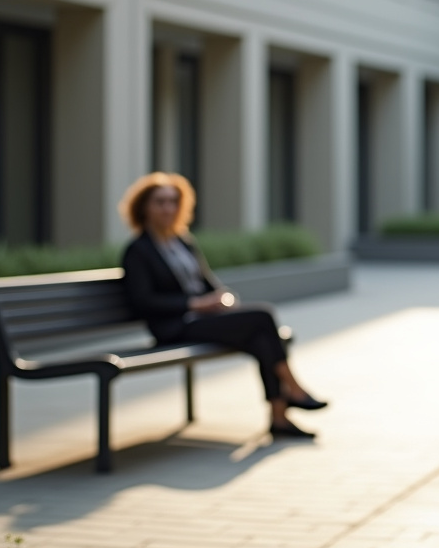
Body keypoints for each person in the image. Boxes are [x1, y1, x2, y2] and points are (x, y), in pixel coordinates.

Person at [119, 172, 326, 439]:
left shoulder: (183, 242)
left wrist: (222, 298)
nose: (168, 208)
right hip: (174, 327)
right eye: (160, 202)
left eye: (172, 202)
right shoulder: (138, 250)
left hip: (203, 320)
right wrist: (194, 304)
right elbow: (142, 301)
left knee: (262, 338)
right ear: (144, 208)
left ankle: (279, 417)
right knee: (263, 317)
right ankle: (293, 391)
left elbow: (208, 283)